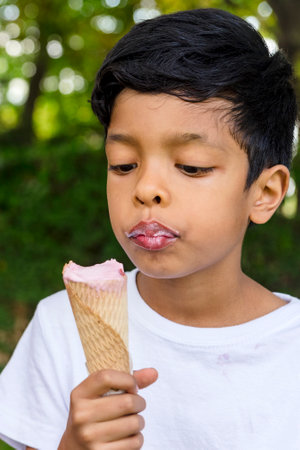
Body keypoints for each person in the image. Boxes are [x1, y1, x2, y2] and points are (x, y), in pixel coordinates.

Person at [0, 7, 299, 450]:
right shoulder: (59, 326)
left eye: (191, 167)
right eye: (123, 164)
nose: (146, 188)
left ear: (265, 192)